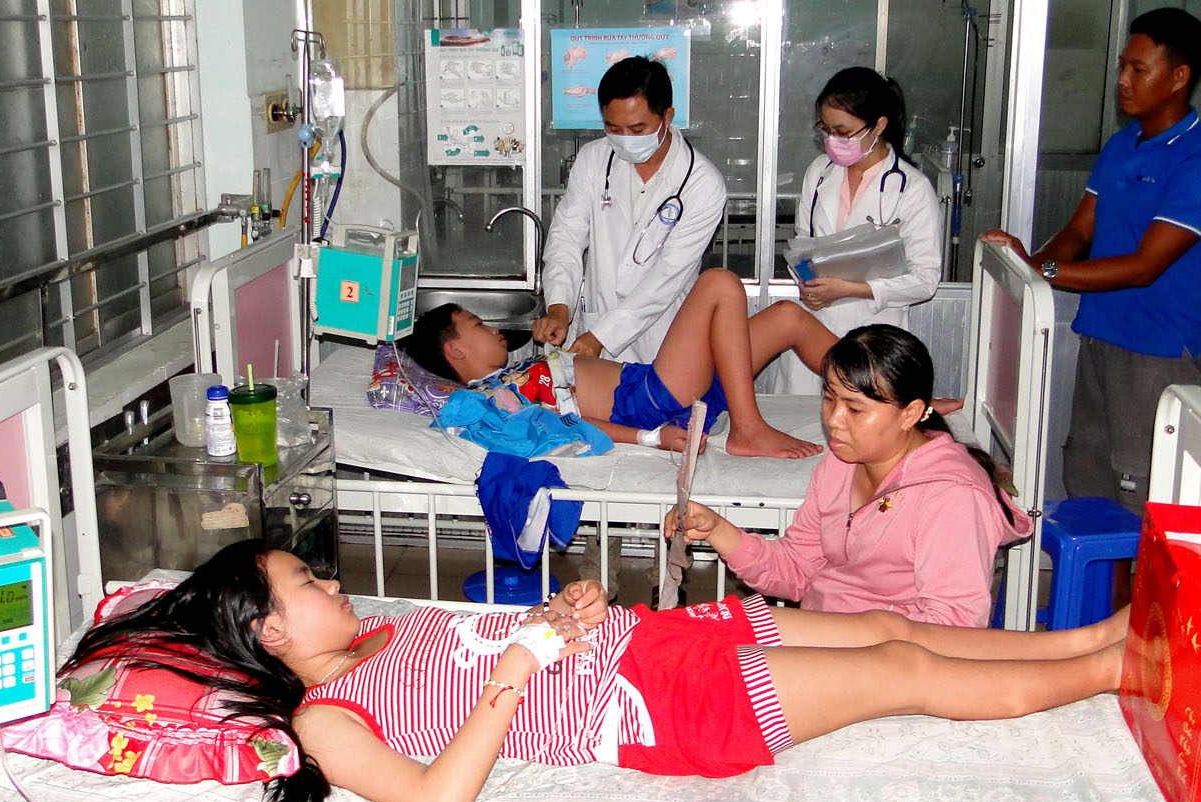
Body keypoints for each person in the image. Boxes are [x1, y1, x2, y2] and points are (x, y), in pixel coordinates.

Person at [62, 540, 1127, 802]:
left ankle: (1095, 635)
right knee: (899, 670)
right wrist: (523, 669)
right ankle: (1110, 669)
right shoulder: (330, 723)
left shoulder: (387, 630)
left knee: (889, 628)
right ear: (267, 629)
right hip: (658, 710)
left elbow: (489, 646)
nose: (332, 583)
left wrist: (547, 619)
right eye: (307, 582)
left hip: (649, 643)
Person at [981, 7, 1201, 515]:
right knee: (1089, 480)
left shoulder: (1193, 158)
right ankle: (1101, 596)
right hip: (1101, 336)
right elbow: (1082, 229)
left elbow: (1145, 266)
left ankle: (1135, 598)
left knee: (1142, 492)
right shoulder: (1123, 145)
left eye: (1138, 69)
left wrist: (1046, 272)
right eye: (1122, 66)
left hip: (1157, 354)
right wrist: (1026, 265)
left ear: (1178, 77)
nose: (1122, 80)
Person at [668, 325, 1031, 627]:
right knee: (691, 641)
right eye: (829, 399)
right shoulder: (841, 464)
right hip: (830, 635)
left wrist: (834, 639)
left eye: (855, 409)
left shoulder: (952, 498)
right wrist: (717, 529)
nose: (833, 421)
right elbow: (796, 571)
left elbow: (953, 626)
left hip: (890, 660)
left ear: (911, 414)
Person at [407, 268, 834, 458]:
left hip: (659, 386)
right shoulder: (490, 399)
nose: (495, 330)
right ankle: (748, 428)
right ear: (455, 352)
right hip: (646, 400)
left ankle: (887, 394)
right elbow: (568, 427)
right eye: (478, 325)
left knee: (788, 317)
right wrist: (649, 437)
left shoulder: (511, 376)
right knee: (719, 284)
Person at [533, 56, 726, 364]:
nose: (624, 140)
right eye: (613, 128)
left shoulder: (701, 183)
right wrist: (559, 307)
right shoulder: (593, 160)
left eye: (637, 129)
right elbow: (566, 237)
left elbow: (668, 276)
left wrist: (602, 336)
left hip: (665, 335)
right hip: (594, 325)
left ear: (667, 116)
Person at [775, 67, 943, 395]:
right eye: (826, 130)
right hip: (813, 326)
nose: (831, 140)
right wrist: (808, 283)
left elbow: (925, 281)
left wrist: (851, 288)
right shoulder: (819, 173)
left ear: (879, 125)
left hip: (873, 336)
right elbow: (801, 244)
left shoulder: (911, 188)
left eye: (843, 131)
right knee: (800, 427)